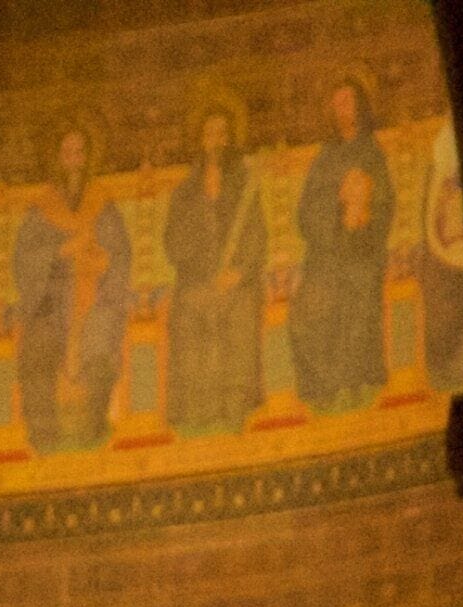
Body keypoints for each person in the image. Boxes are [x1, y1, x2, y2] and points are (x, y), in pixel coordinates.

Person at [12, 121, 131, 455]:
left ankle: (93, 426)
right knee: (37, 347)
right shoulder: (43, 207)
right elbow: (23, 259)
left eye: (80, 152)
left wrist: (101, 261)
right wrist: (60, 251)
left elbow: (121, 254)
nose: (74, 160)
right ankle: (44, 433)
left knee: (101, 341)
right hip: (50, 302)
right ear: (58, 158)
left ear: (88, 157)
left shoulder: (102, 204)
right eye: (67, 153)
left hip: (97, 298)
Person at [289, 78, 395, 413]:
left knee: (356, 303)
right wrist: (337, 209)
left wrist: (361, 215)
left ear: (360, 105)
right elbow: (305, 212)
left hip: (362, 254)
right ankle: (323, 389)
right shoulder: (325, 158)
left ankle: (354, 385)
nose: (342, 109)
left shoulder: (372, 153)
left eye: (347, 101)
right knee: (307, 311)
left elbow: (385, 206)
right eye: (336, 103)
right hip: (325, 255)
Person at [160, 101, 264, 436]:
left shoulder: (244, 186)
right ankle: (196, 412)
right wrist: (200, 271)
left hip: (237, 283)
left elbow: (257, 236)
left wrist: (238, 273)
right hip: (196, 282)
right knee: (189, 317)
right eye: (210, 133)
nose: (216, 140)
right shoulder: (185, 193)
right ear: (200, 140)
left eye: (222, 133)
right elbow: (172, 243)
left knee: (240, 314)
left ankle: (235, 408)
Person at [420, 116, 463, 395]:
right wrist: (444, 250)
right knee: (444, 302)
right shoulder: (444, 155)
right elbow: (432, 219)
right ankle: (447, 372)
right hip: (445, 250)